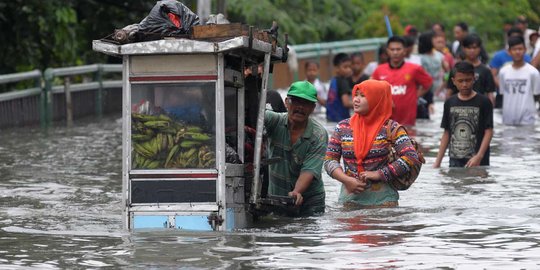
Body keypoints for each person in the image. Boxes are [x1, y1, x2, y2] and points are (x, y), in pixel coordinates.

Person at [324, 80, 423, 207]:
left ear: (377, 99)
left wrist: (380, 174)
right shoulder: (343, 127)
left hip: (383, 202)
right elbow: (329, 160)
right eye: (356, 94)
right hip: (349, 199)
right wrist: (346, 180)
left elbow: (411, 157)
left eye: (363, 96)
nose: (356, 99)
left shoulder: (392, 128)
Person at [264, 81, 328, 216]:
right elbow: (255, 116)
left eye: (305, 104)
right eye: (296, 101)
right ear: (286, 102)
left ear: (313, 108)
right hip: (277, 196)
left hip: (310, 201)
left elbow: (309, 171)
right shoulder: (275, 121)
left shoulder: (318, 135)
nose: (300, 107)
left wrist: (297, 191)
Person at [433, 61, 493, 168]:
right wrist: (438, 162)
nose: (464, 84)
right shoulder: (449, 102)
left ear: (474, 79)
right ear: (454, 81)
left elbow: (489, 131)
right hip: (455, 160)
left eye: (468, 80)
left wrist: (479, 156)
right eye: (460, 81)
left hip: (478, 161)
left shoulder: (484, 102)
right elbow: (447, 132)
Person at [371, 36, 433, 126]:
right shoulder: (379, 70)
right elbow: (371, 91)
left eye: (398, 49)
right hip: (385, 123)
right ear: (387, 51)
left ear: (405, 50)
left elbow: (428, 83)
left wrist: (415, 96)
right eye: (392, 49)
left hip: (408, 123)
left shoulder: (414, 69)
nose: (395, 52)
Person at [498, 36, 540, 126]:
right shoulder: (503, 72)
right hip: (508, 118)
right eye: (514, 49)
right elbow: (503, 93)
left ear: (525, 50)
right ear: (509, 52)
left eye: (520, 49)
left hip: (528, 119)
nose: (517, 52)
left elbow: (536, 94)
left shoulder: (533, 72)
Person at [447, 34, 496, 106]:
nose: (472, 50)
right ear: (463, 48)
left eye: (474, 48)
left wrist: (490, 110)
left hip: (479, 108)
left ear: (479, 48)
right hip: (458, 108)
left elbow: (490, 93)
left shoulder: (485, 70)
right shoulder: (456, 69)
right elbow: (449, 91)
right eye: (469, 48)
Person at [490, 27, 532, 108]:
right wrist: (504, 88)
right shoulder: (499, 56)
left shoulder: (526, 57)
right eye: (513, 37)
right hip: (503, 96)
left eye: (518, 37)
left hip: (522, 97)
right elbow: (493, 74)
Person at [417, 31, 447, 119]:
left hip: (440, 91)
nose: (436, 40)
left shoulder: (440, 56)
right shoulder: (421, 58)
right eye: (434, 39)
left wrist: (443, 84)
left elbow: (448, 72)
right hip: (426, 91)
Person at [326, 53, 353, 122]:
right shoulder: (343, 82)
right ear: (337, 68)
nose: (349, 70)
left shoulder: (333, 80)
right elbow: (346, 103)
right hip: (341, 120)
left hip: (330, 118)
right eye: (345, 67)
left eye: (350, 67)